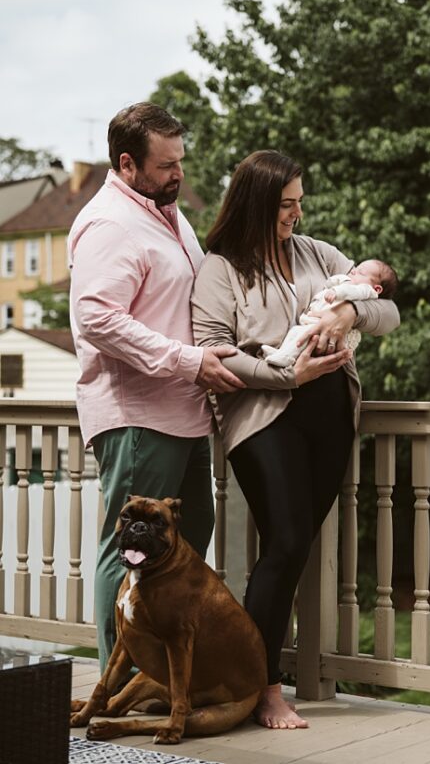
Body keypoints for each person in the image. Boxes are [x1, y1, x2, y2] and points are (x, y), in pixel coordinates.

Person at [191, 150, 399, 729]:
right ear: (257, 204)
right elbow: (213, 348)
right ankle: (263, 689)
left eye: (299, 201)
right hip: (261, 415)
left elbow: (391, 312)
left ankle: (245, 678)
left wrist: (350, 318)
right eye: (286, 205)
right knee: (284, 543)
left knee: (293, 548)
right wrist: (287, 373)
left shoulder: (319, 255)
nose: (297, 213)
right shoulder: (220, 268)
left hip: (330, 415)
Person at [69, 102, 244, 672]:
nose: (180, 175)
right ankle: (115, 684)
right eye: (167, 165)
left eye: (181, 162)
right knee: (129, 556)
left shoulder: (167, 211)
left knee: (186, 549)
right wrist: (187, 361)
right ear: (127, 163)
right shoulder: (109, 224)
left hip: (187, 412)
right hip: (139, 415)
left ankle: (167, 684)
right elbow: (97, 317)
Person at [262, 258, 398, 366]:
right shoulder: (349, 281)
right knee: (295, 332)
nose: (354, 271)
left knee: (303, 336)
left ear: (377, 288)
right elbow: (334, 281)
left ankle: (287, 357)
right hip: (315, 323)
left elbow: (350, 291)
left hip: (326, 332)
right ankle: (282, 352)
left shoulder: (366, 290)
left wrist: (336, 291)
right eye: (356, 268)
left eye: (361, 273)